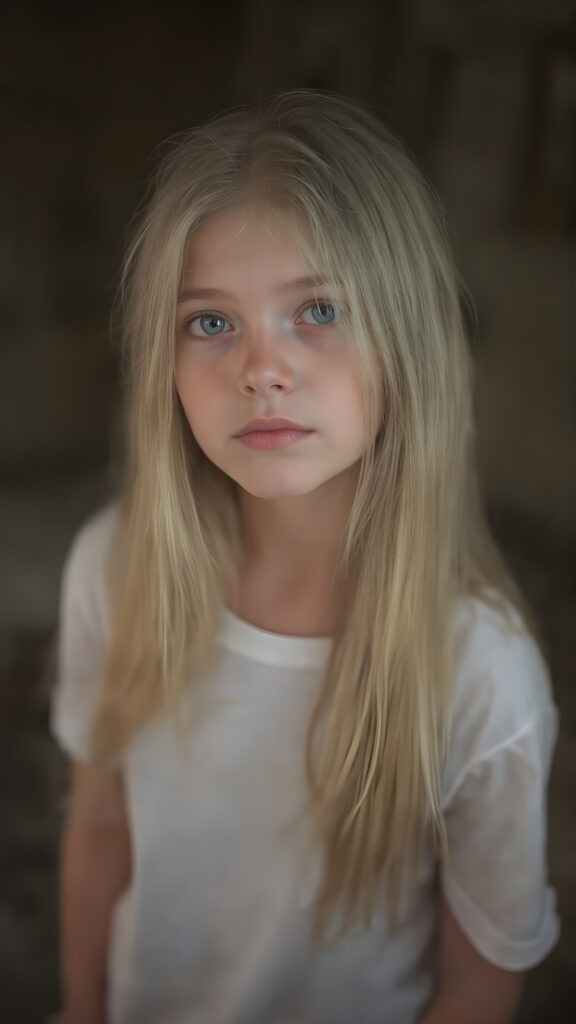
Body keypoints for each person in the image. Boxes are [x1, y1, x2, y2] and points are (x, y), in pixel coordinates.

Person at [51, 90, 559, 1024]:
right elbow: (100, 829)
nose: (260, 368)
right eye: (210, 322)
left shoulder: (483, 671)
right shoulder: (114, 568)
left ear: (407, 347)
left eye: (316, 309)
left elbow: (482, 979)